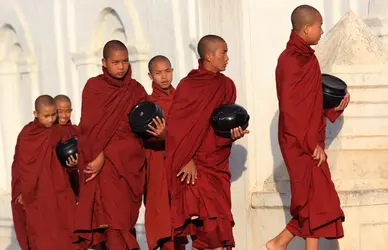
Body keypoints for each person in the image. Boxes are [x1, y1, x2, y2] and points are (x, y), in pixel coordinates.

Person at [266, 5, 350, 250]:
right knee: (314, 200)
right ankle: (278, 242)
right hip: (298, 141)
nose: (322, 31)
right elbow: (291, 109)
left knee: (316, 201)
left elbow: (312, 103)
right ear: (306, 28)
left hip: (309, 139)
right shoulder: (290, 60)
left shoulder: (308, 57)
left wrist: (336, 107)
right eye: (320, 26)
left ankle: (279, 243)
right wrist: (309, 143)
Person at [164, 35, 248, 250]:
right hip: (194, 166)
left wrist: (232, 135)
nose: (228, 58)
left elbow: (221, 125)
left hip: (217, 163)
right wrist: (186, 158)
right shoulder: (189, 86)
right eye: (224, 53)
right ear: (209, 56)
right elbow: (177, 127)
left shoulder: (227, 85)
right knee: (209, 229)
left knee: (217, 227)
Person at [73, 40, 148, 250]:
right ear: (104, 63)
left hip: (130, 165)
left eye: (125, 61)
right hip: (106, 169)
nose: (121, 67)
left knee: (124, 221)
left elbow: (144, 126)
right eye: (115, 62)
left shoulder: (136, 89)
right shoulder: (94, 88)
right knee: (114, 227)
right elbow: (88, 127)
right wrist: (98, 153)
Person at [11, 95, 79, 250]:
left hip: (61, 193)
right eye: (46, 116)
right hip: (36, 197)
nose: (51, 119)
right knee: (43, 240)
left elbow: (70, 162)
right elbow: (19, 166)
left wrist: (73, 166)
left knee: (67, 238)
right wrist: (20, 191)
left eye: (53, 115)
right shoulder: (27, 134)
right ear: (36, 114)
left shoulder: (60, 132)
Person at [144, 55, 187, 250]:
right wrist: (162, 137)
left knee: (181, 219)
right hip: (159, 165)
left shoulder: (183, 99)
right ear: (150, 75)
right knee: (164, 218)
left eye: (167, 71)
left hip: (182, 164)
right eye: (158, 73)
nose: (164, 77)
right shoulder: (148, 105)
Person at [54, 94, 80, 198]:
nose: (64, 115)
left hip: (72, 183)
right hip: (53, 185)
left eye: (68, 111)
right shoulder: (47, 132)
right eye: (60, 111)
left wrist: (76, 165)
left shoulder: (75, 131)